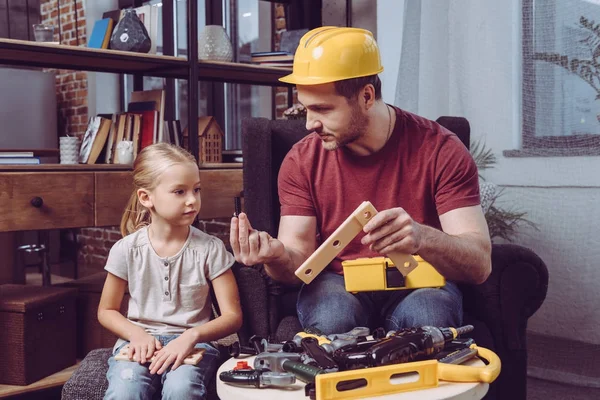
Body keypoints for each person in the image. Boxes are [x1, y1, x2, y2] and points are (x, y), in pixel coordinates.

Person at [230, 27, 491, 335]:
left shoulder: (441, 149)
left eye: (323, 109)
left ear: (366, 96)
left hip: (419, 279)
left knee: (429, 312)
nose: (310, 124)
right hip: (336, 281)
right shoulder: (301, 161)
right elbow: (296, 264)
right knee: (332, 317)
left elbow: (479, 265)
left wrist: (422, 238)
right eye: (305, 108)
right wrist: (276, 257)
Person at [98, 143, 242, 400]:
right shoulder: (125, 249)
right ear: (146, 198)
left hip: (193, 344)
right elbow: (106, 310)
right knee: (125, 391)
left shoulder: (211, 249)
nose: (192, 200)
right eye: (179, 191)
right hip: (139, 342)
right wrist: (136, 334)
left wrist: (193, 335)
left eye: (196, 190)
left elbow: (232, 316)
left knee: (181, 389)